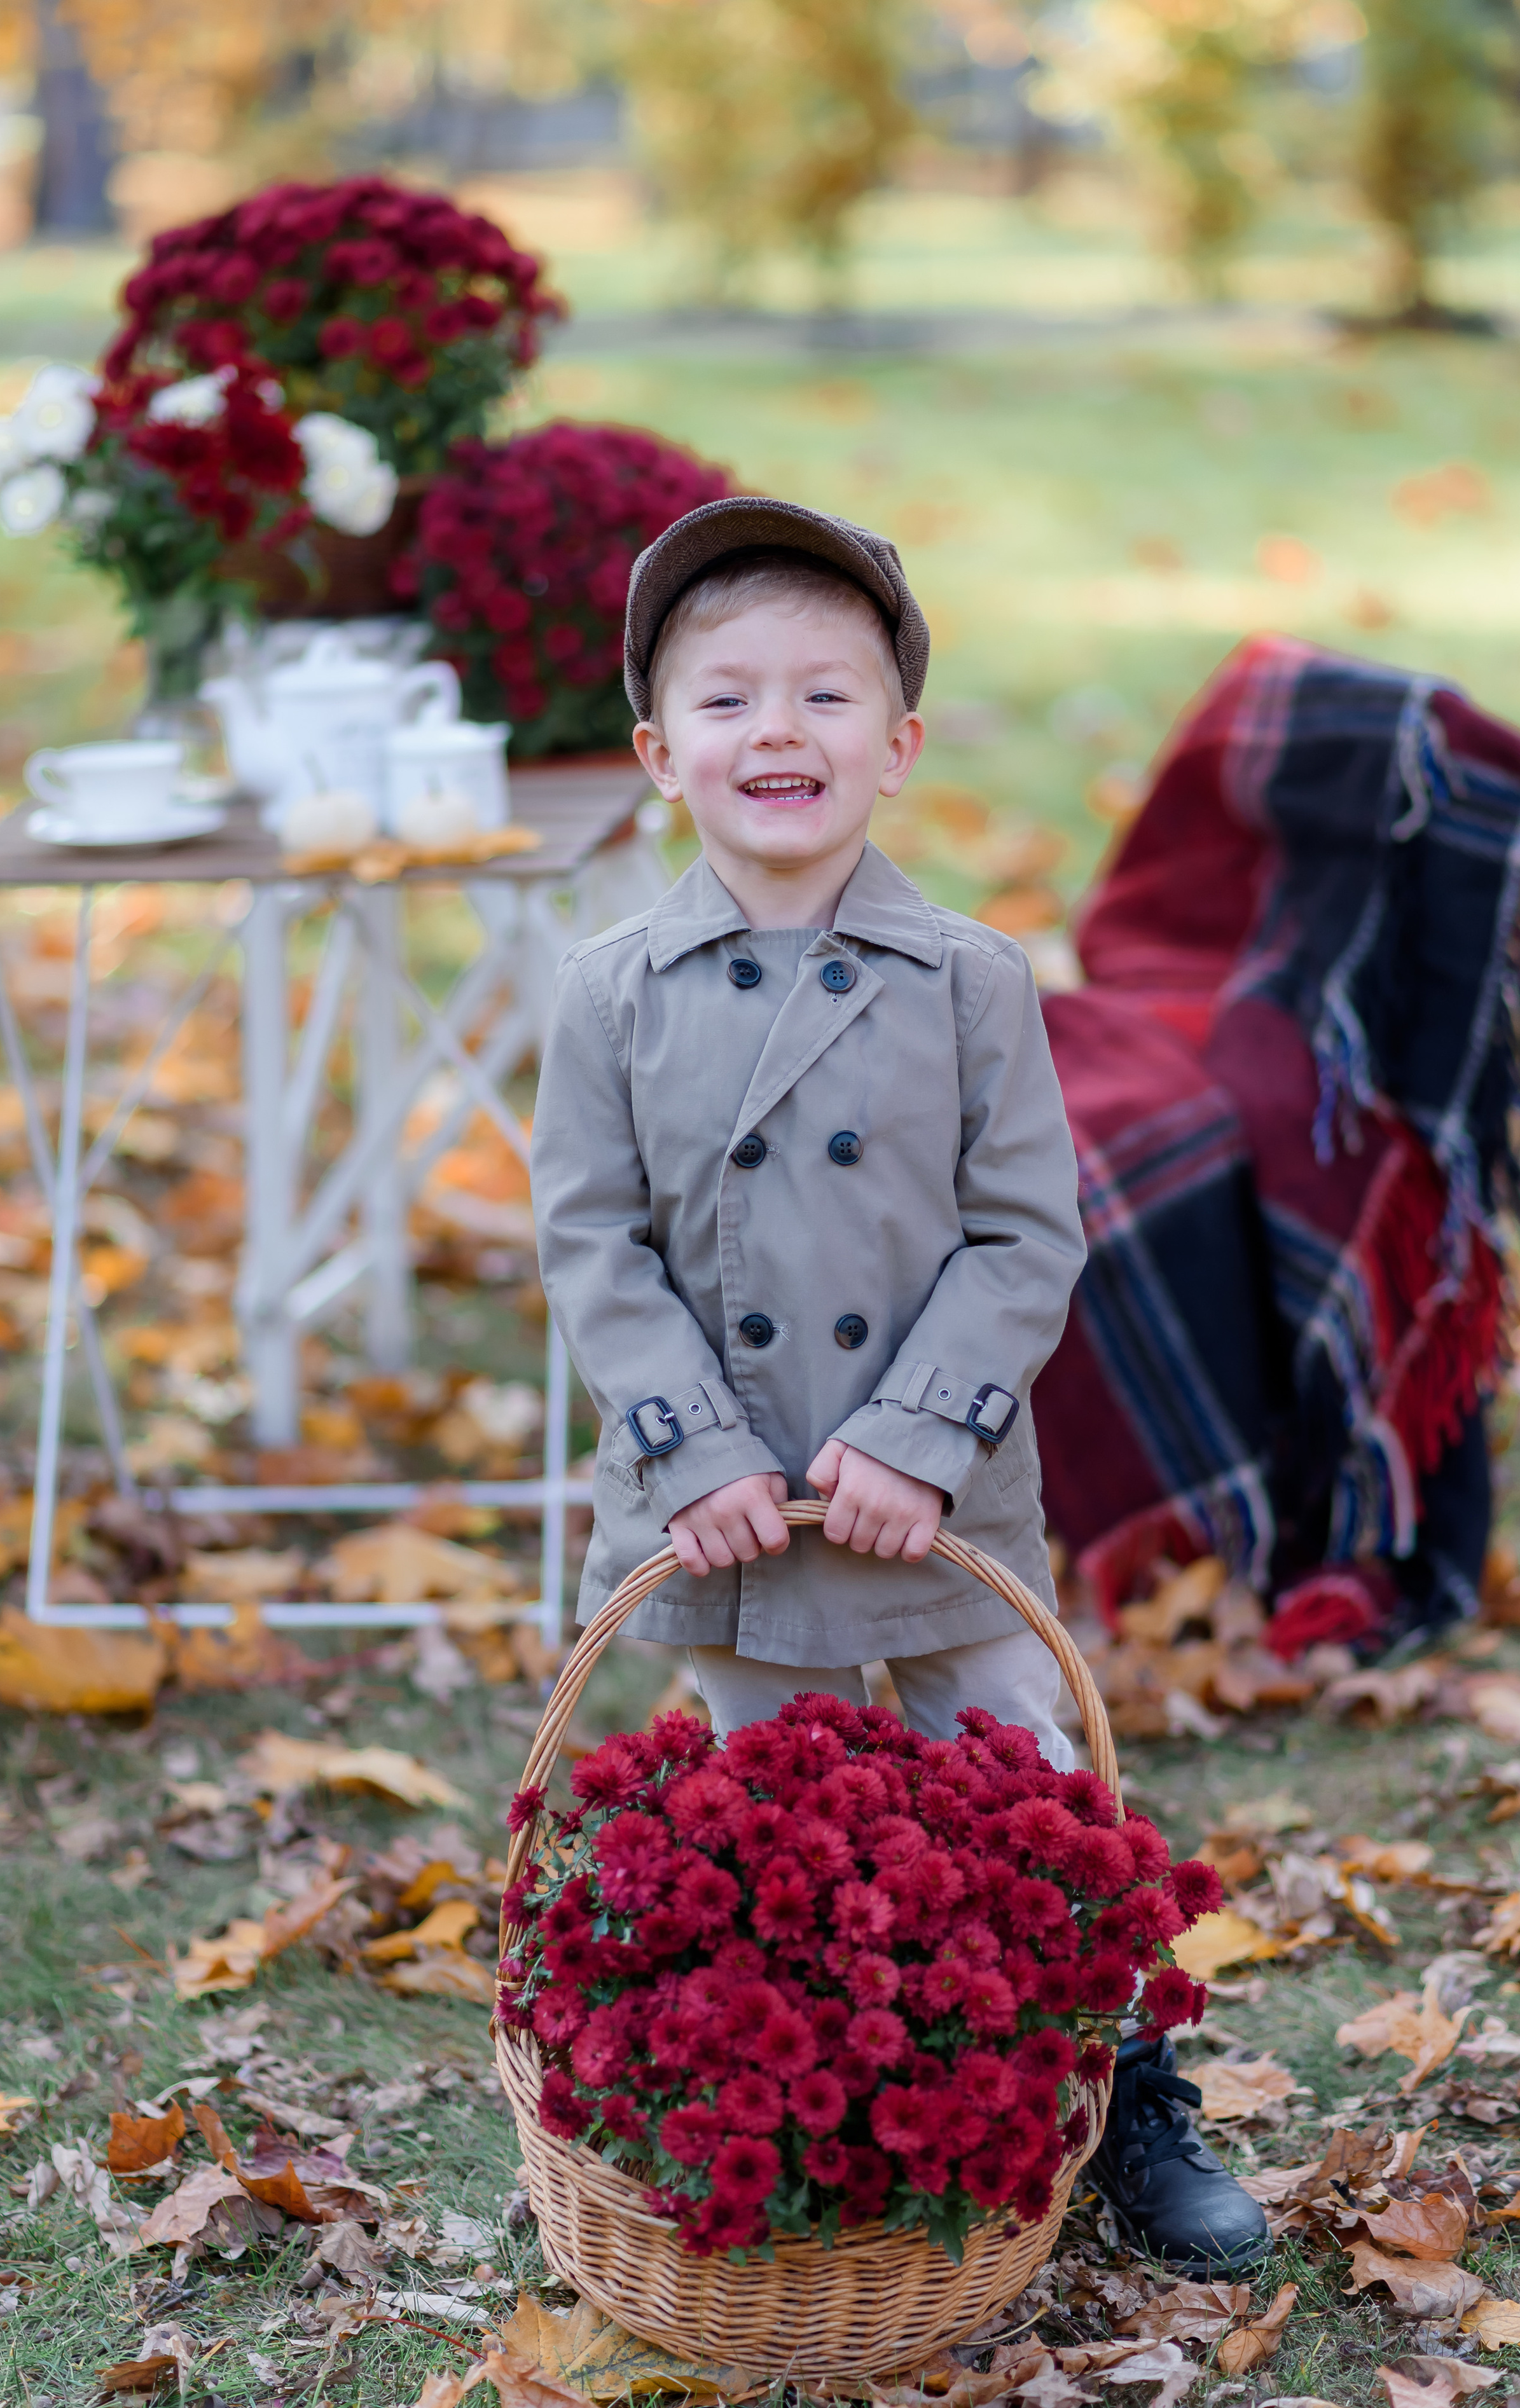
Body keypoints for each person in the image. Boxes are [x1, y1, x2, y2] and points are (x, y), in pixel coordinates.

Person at [529, 494, 1268, 2276]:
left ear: (901, 746)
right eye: (727, 699)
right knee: (774, 1848)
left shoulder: (971, 981)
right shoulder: (607, 994)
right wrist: (695, 1443)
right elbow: (590, 1247)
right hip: (727, 1508)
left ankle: (1115, 2089)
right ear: (657, 753)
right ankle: (792, 2161)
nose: (776, 731)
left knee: (1029, 1796)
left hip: (935, 1498)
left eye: (826, 696)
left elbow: (1026, 1238)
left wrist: (918, 1438)